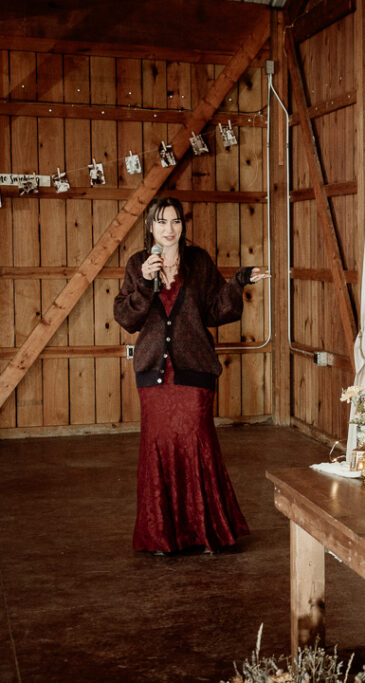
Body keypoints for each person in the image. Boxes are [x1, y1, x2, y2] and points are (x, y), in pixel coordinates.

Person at [114, 197, 270, 555]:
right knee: (159, 449)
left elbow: (216, 309)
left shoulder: (198, 261)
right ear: (150, 227)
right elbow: (126, 318)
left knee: (197, 444)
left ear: (182, 225)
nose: (169, 229)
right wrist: (145, 282)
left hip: (195, 370)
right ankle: (162, 537)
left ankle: (205, 532)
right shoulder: (138, 264)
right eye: (161, 222)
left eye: (175, 221)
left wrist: (239, 280)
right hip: (153, 375)